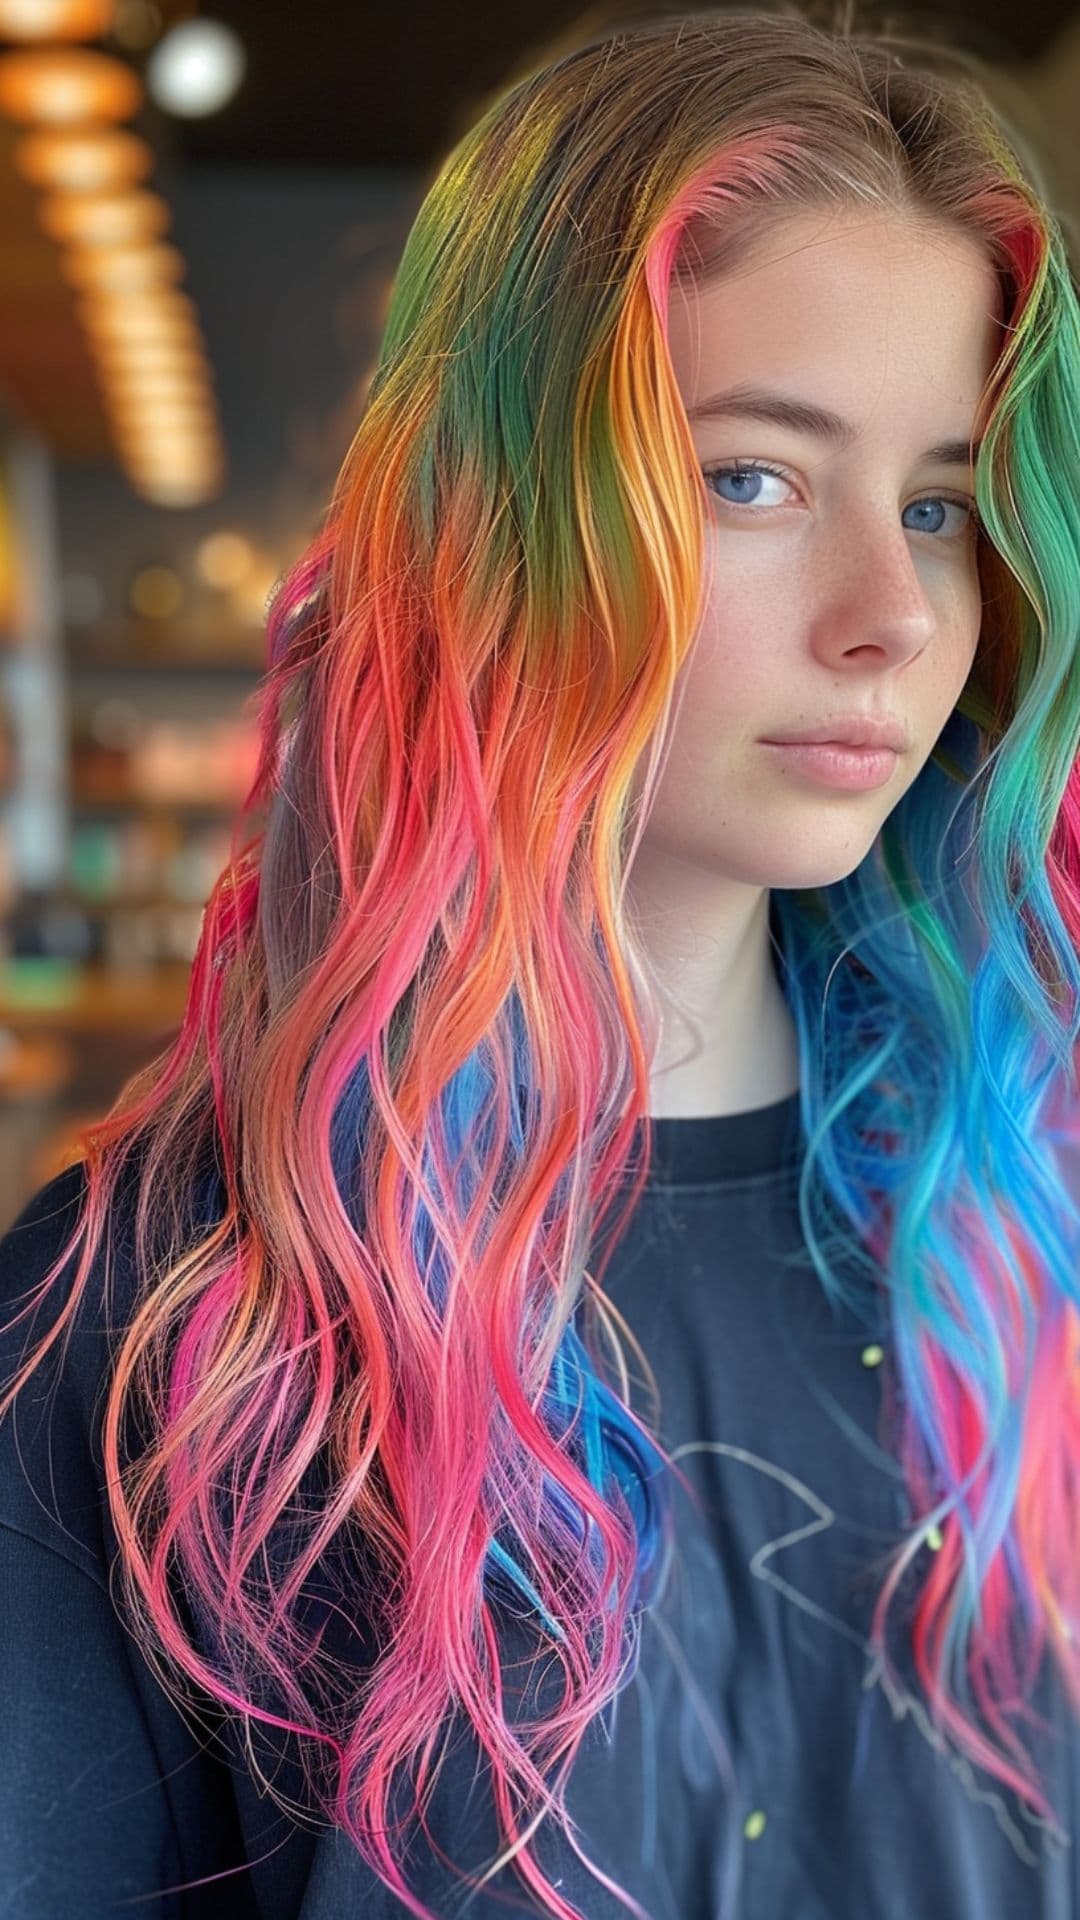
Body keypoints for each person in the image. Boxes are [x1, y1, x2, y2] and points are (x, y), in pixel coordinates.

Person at [2, 5, 1079, 1917]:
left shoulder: (1023, 1235)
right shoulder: (159, 1331)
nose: (894, 614)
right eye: (755, 477)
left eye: (935, 502)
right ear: (504, 521)